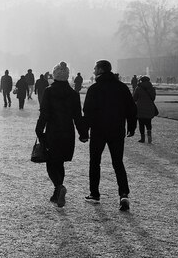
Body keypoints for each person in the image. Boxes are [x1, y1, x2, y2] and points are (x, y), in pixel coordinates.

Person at [83, 59, 137, 211]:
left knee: (95, 162)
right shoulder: (121, 87)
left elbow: (87, 111)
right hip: (117, 129)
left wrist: (84, 132)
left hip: (99, 129)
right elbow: (131, 109)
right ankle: (124, 193)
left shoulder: (94, 88)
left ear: (100, 70)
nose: (93, 71)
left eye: (95, 68)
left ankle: (95, 193)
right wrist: (132, 126)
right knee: (118, 162)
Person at [35, 62, 88, 207]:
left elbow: (44, 113)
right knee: (60, 162)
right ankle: (57, 192)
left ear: (55, 75)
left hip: (53, 130)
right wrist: (83, 133)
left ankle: (59, 187)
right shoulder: (73, 94)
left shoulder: (49, 91)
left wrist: (39, 130)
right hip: (68, 131)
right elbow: (78, 116)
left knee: (51, 162)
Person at [133, 75, 157, 143]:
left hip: (140, 108)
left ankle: (142, 138)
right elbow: (153, 98)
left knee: (141, 124)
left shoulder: (138, 88)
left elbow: (134, 98)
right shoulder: (152, 88)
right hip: (149, 107)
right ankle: (149, 136)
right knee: (148, 122)